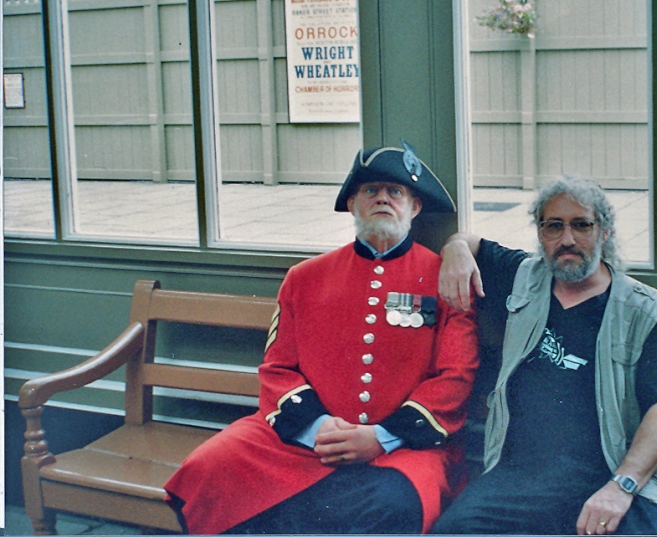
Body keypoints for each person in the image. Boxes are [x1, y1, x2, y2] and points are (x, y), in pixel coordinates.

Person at [164, 143, 479, 535]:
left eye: (395, 191)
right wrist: (316, 429)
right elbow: (277, 368)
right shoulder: (304, 277)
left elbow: (456, 378)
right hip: (301, 441)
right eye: (370, 190)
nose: (383, 197)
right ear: (352, 204)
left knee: (391, 502)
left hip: (404, 446)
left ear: (415, 208)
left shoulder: (445, 280)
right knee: (208, 467)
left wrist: (381, 437)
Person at [433, 175, 657, 536]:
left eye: (581, 225)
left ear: (604, 233)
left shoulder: (644, 309)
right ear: (541, 234)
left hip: (614, 474)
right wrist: (454, 250)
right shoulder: (522, 276)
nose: (567, 239)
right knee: (453, 531)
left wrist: (621, 487)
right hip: (521, 479)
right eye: (553, 227)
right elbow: (468, 242)